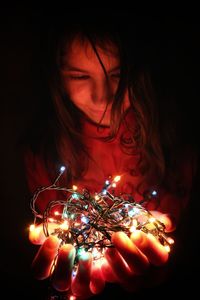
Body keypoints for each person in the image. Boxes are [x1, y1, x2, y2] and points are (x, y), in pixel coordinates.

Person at [22, 12, 198, 300]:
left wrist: (165, 270)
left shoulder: (175, 140)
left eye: (118, 75)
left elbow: (181, 243)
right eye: (79, 76)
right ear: (56, 77)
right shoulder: (43, 153)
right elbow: (54, 243)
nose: (102, 96)